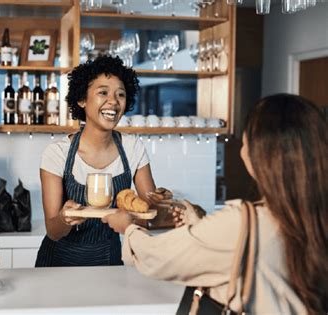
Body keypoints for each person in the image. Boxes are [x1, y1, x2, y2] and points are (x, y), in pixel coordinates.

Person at [103, 94, 328, 314]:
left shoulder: (242, 222)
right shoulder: (314, 217)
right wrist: (200, 225)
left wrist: (128, 228)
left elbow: (159, 257)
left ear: (259, 153)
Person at [35, 55, 170, 267]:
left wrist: (159, 202)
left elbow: (148, 218)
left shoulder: (133, 148)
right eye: (103, 92)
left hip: (109, 261)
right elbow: (53, 231)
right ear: (81, 99)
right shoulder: (57, 153)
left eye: (121, 95)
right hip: (58, 265)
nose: (114, 102)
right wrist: (64, 218)